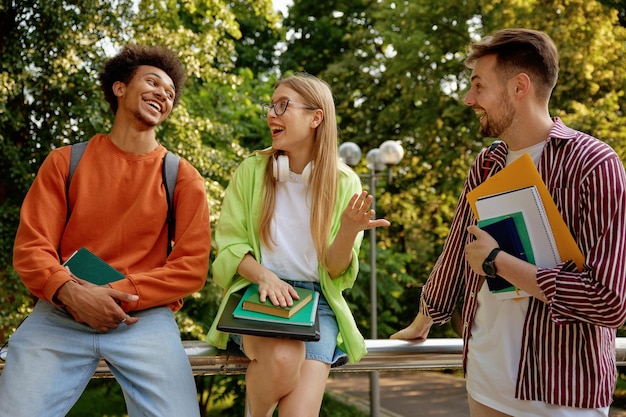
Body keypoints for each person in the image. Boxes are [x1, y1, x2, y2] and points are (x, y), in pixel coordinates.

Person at [391, 28, 626, 416]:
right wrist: (424, 318)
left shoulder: (594, 165)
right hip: (486, 381)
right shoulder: (486, 164)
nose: (469, 99)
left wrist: (498, 261)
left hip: (561, 393)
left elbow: (610, 300)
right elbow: (456, 252)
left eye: (479, 86)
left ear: (520, 86)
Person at [0, 44, 212, 417]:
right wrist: (70, 292)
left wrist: (114, 294)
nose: (163, 94)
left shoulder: (182, 176)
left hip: (143, 317)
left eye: (170, 93)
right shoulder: (65, 161)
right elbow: (32, 247)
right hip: (60, 312)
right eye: (153, 82)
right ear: (119, 88)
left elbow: (192, 267)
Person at [206, 73, 390, 417]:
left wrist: (349, 231)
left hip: (316, 305)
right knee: (283, 356)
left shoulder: (345, 181)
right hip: (257, 294)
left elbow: (335, 269)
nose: (271, 114)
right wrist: (265, 277)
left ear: (315, 117)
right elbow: (230, 244)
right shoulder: (251, 171)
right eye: (271, 105)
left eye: (282, 105)